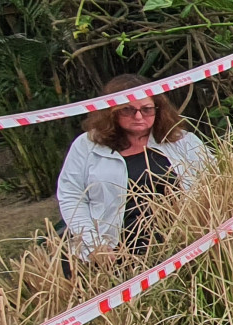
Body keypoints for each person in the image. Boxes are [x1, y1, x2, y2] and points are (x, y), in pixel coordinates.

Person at [55, 75, 210, 257]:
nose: (138, 116)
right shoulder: (87, 145)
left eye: (147, 109)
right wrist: (94, 244)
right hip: (116, 253)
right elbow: (71, 196)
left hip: (183, 245)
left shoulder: (182, 140)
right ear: (111, 111)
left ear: (158, 109)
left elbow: (212, 182)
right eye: (127, 110)